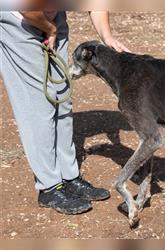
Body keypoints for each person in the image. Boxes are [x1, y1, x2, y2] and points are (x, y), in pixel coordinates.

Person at [0, 11, 130, 214]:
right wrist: (49, 28)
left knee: (62, 97)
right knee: (39, 104)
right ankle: (49, 187)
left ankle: (69, 177)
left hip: (51, 15)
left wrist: (107, 37)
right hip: (20, 19)